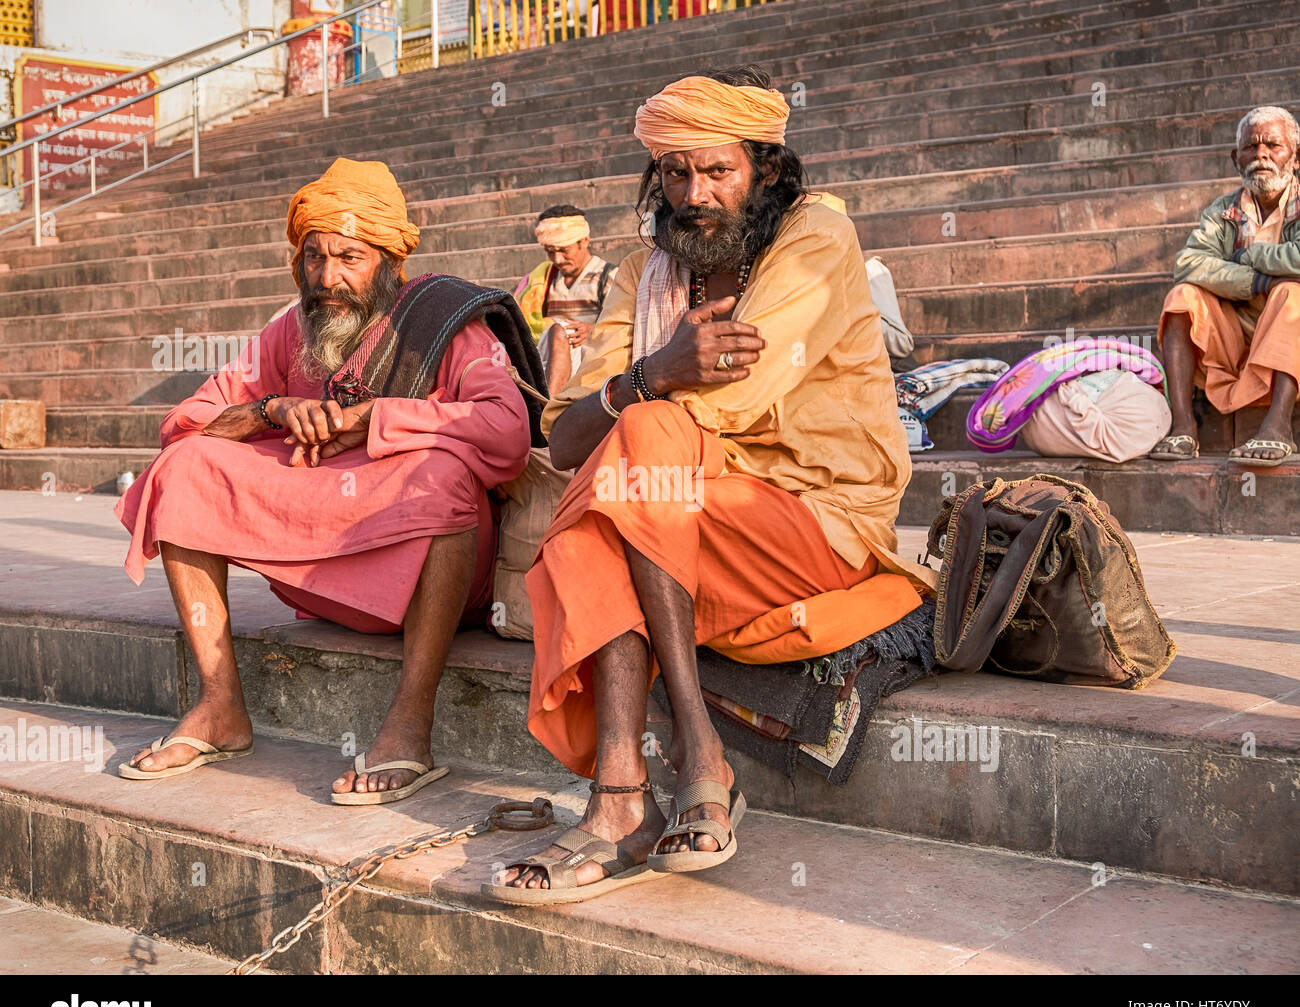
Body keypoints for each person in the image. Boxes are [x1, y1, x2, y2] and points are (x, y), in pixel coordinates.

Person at [484, 67, 935, 905]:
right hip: (673, 516)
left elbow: (737, 394)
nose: (695, 194)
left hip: (816, 522)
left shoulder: (817, 239)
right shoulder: (638, 275)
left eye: (717, 170)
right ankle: (628, 794)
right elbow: (565, 430)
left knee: (639, 446)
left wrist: (633, 398)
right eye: (676, 173)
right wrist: (651, 374)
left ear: (764, 166)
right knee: (628, 466)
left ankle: (687, 758)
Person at [116, 158, 534, 803]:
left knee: (443, 470)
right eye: (315, 258)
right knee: (188, 463)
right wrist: (269, 410)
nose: (328, 279)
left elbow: (507, 430)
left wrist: (376, 417)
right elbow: (185, 419)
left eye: (350, 258)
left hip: (438, 573)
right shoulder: (293, 326)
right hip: (319, 580)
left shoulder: (447, 323)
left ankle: (409, 725)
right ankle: (220, 706)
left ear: (390, 262)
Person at [1150, 105, 1300, 466]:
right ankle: (1183, 425)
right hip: (1236, 336)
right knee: (1182, 297)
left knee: (1292, 293)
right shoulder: (1223, 211)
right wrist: (1257, 281)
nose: (1261, 155)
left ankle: (1278, 425)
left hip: (1291, 337)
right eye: (1251, 147)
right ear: (1236, 159)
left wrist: (1251, 255)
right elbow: (1187, 264)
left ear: (1295, 157)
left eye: (1272, 146)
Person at [514, 205, 617, 394]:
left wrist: (594, 330)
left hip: (589, 360)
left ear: (584, 241)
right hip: (545, 358)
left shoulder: (608, 277)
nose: (557, 259)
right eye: (550, 251)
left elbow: (623, 327)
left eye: (563, 250)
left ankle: (549, 404)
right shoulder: (543, 279)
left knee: (560, 331)